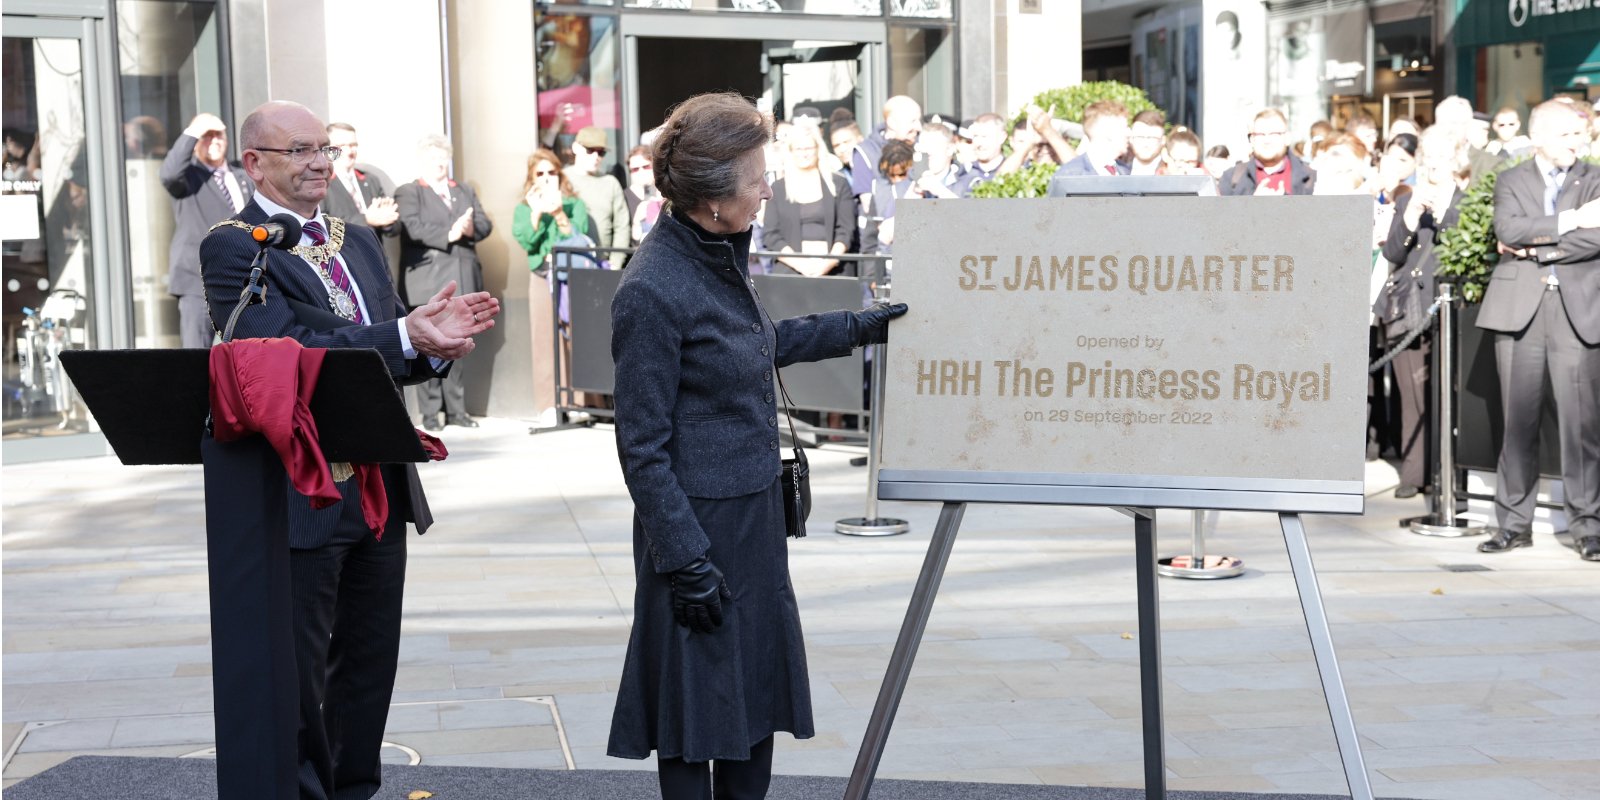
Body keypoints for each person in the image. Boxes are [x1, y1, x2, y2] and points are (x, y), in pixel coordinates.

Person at [605, 91, 907, 799]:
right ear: (712, 198)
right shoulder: (652, 288)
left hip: (750, 519)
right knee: (693, 715)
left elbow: (759, 345)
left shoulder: (714, 252)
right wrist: (685, 562)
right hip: (697, 533)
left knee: (751, 703)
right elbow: (640, 446)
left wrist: (859, 327)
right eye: (755, 177)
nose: (767, 186)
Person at [199, 99, 500, 800]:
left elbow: (395, 337)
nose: (318, 162)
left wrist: (433, 344)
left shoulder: (356, 236)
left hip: (379, 476)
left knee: (369, 658)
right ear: (254, 162)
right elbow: (283, 353)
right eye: (299, 150)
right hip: (303, 484)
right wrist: (404, 339)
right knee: (301, 668)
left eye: (323, 149)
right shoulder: (236, 244)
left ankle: (355, 788)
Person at [1475, 99, 1600, 561]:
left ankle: (1588, 528)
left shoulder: (1595, 178)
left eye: (1579, 134)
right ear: (1541, 136)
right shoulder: (1511, 178)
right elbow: (1507, 227)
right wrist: (1570, 221)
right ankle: (1513, 524)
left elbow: (1598, 237)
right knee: (1517, 422)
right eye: (1568, 135)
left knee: (1581, 424)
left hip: (1577, 310)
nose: (1578, 142)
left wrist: (1535, 250)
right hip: (1518, 311)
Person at [1376, 125, 1470, 498]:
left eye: (1442, 157)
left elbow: (1463, 247)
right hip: (1406, 308)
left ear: (1456, 161)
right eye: (1428, 157)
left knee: (1444, 394)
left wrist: (1442, 209)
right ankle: (1413, 473)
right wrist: (1412, 215)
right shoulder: (1406, 200)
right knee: (1410, 395)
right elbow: (1393, 254)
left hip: (1447, 308)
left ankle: (1446, 474)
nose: (1433, 165)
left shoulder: (1467, 201)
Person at [395, 134, 493, 431]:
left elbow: (486, 224)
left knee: (459, 342)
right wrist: (449, 233)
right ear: (422, 161)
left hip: (463, 275)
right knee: (427, 343)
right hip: (428, 278)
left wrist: (470, 227)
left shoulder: (462, 189)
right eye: (433, 158)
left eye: (443, 158)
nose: (439, 164)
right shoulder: (410, 191)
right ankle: (429, 413)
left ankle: (457, 411)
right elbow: (411, 227)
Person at [162, 112, 254, 348]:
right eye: (206, 136)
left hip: (243, 278)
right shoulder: (189, 177)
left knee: (247, 352)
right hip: (198, 280)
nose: (213, 140)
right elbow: (169, 173)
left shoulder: (242, 175)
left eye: (218, 135)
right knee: (196, 355)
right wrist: (193, 131)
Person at [763, 127, 856, 277]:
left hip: (835, 271)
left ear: (818, 149)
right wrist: (801, 264)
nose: (804, 153)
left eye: (808, 148)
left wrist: (828, 262)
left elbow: (846, 229)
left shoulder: (839, 184)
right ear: (790, 152)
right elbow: (771, 235)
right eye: (798, 149)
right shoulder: (777, 189)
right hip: (790, 272)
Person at [322, 122, 399, 241]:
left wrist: (388, 220)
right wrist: (366, 220)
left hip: (375, 254)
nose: (349, 151)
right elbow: (322, 225)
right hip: (343, 255)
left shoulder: (371, 180)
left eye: (353, 145)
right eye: (341, 145)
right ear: (328, 148)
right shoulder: (321, 183)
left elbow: (395, 229)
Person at [1218, 108, 1317, 195]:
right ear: (1252, 140)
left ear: (1287, 138)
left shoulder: (1311, 179)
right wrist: (1252, 206)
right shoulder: (1231, 178)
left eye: (1274, 134)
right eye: (1260, 134)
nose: (1267, 141)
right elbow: (1219, 215)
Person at [565, 126, 630, 255]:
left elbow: (622, 226)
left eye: (601, 152)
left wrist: (615, 263)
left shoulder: (610, 183)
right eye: (590, 150)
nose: (596, 156)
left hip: (602, 265)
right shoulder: (560, 179)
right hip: (566, 261)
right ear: (576, 148)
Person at [849, 95, 921, 198]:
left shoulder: (923, 148)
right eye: (913, 121)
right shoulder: (866, 152)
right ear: (892, 123)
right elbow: (868, 204)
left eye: (919, 121)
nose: (919, 127)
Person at [863, 139, 915, 256]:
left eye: (902, 174)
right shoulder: (877, 189)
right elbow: (869, 242)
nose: (896, 180)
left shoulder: (920, 190)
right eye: (891, 175)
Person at [1055, 100, 1131, 177]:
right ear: (1106, 130)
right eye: (1125, 127)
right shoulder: (1070, 174)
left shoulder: (1126, 171)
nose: (1129, 133)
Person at [960, 113, 1009, 193]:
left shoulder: (1015, 172)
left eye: (984, 137)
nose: (979, 143)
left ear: (1002, 137)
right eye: (975, 136)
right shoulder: (963, 172)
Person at [624, 145, 662, 244]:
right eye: (635, 169)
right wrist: (636, 222)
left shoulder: (666, 194)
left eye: (646, 167)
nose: (641, 172)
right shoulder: (624, 197)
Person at [1127, 109, 1167, 175]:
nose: (1145, 144)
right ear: (1131, 139)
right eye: (1140, 137)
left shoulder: (1171, 172)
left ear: (1163, 140)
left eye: (1152, 138)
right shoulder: (1117, 171)